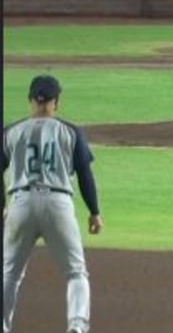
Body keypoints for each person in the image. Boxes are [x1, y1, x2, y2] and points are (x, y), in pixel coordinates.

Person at [3, 75, 103, 333]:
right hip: (58, 203)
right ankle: (77, 328)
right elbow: (84, 174)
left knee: (9, 274)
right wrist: (94, 212)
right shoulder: (70, 131)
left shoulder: (10, 132)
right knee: (76, 273)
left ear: (30, 100)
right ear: (56, 102)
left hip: (20, 203)